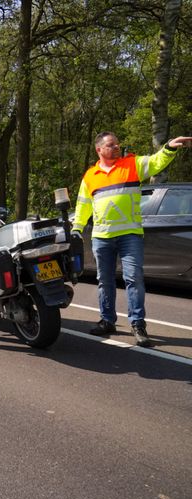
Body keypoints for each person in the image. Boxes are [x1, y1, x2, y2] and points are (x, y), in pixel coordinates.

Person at [71, 132, 192, 347]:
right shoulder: (90, 176)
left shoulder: (132, 164)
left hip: (130, 235)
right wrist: (77, 229)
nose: (117, 147)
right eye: (111, 145)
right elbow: (83, 205)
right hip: (102, 237)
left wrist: (169, 148)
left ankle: (138, 325)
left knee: (134, 278)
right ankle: (107, 321)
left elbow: (156, 161)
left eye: (118, 144)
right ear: (99, 149)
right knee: (104, 281)